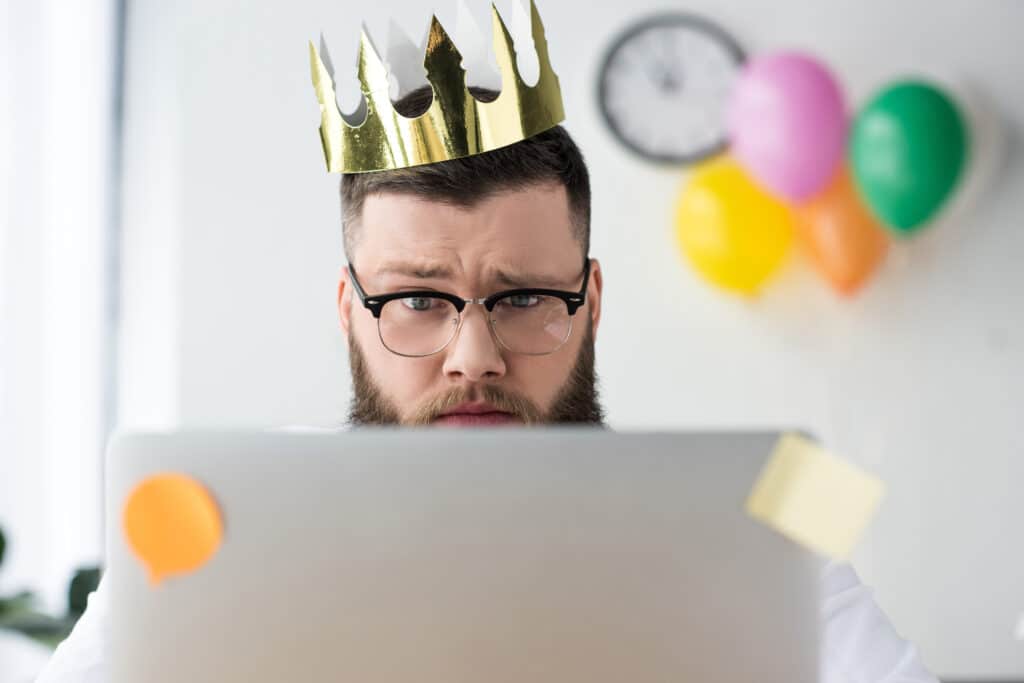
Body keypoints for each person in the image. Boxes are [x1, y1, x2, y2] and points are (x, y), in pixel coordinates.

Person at [36, 9, 939, 680]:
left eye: (524, 297)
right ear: (349, 311)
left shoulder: (780, 509)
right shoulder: (203, 522)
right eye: (420, 299)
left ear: (590, 304)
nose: (474, 354)